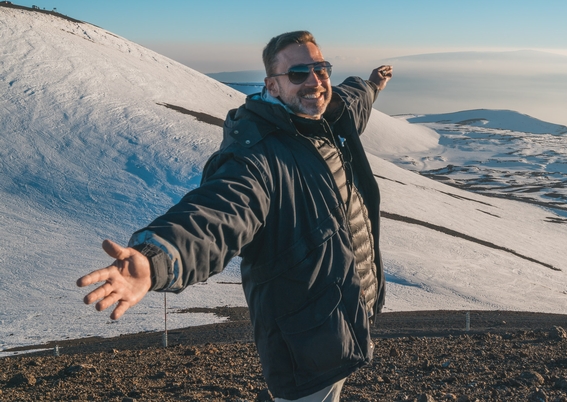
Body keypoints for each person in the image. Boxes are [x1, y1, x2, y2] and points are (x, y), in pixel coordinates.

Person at [77, 30, 393, 402]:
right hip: (308, 342)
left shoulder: (330, 118)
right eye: (298, 73)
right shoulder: (257, 157)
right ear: (272, 86)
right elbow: (221, 212)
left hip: (342, 320)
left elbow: (354, 100)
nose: (314, 81)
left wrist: (373, 84)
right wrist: (157, 258)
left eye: (321, 69)